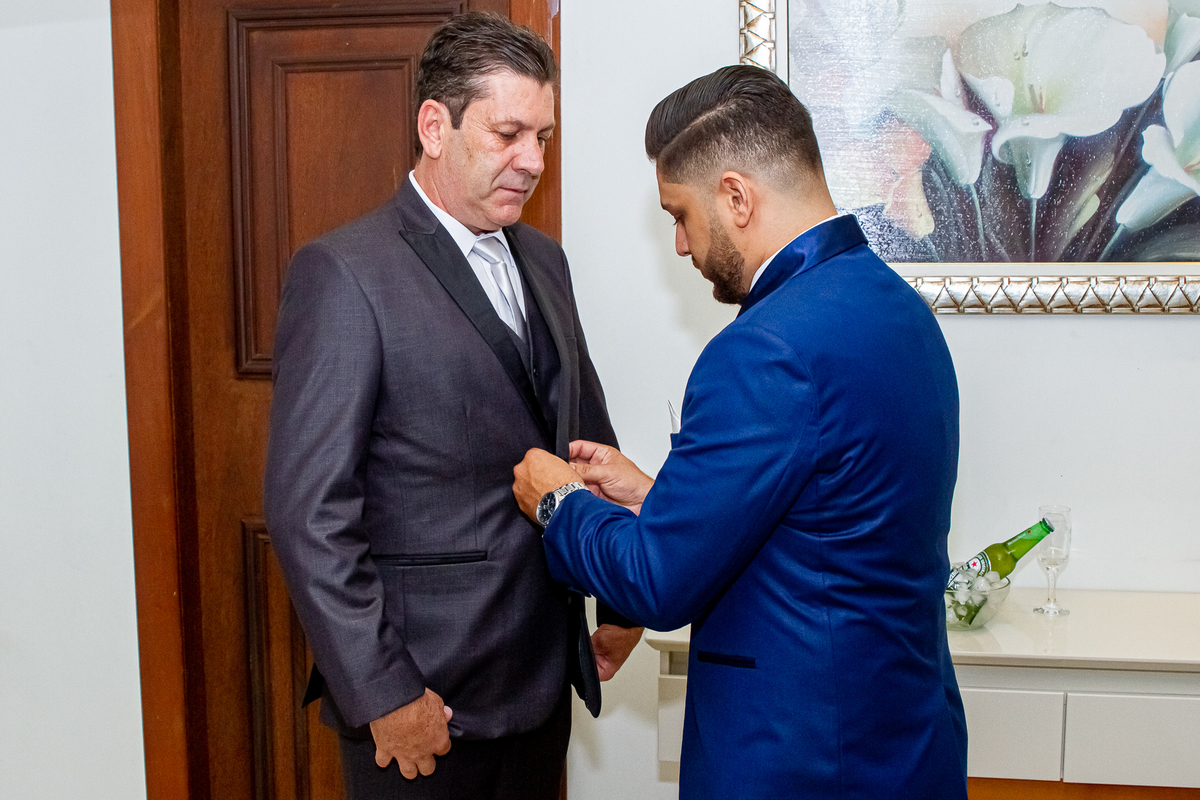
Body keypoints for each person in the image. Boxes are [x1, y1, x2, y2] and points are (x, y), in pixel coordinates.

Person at [512, 65, 968, 799]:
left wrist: (558, 501)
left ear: (736, 196)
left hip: (801, 759)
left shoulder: (764, 349)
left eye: (680, 215)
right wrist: (658, 498)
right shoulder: (898, 309)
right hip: (904, 741)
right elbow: (828, 519)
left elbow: (657, 584)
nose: (681, 245)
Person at [264, 13, 642, 799]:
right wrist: (385, 693)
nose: (533, 160)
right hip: (424, 701)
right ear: (435, 127)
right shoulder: (345, 273)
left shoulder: (545, 260)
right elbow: (309, 514)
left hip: (544, 683)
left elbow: (584, 438)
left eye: (543, 137)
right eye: (508, 135)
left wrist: (622, 594)